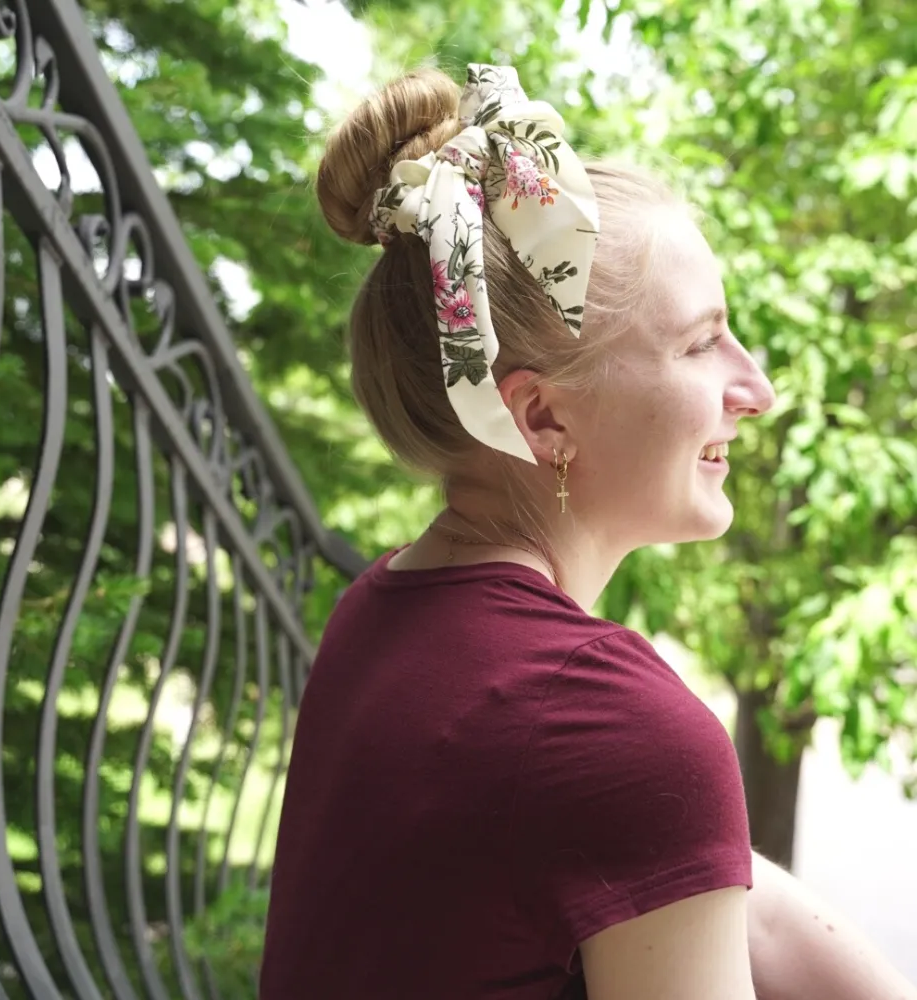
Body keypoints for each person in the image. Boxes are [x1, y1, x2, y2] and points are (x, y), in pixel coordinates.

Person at [260, 64, 917, 1000]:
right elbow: (655, 813)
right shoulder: (609, 724)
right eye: (701, 343)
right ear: (543, 422)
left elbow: (728, 892)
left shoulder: (385, 611)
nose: (758, 390)